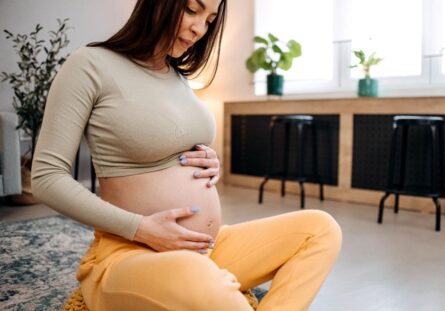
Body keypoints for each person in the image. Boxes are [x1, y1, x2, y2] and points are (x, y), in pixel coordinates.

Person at [31, 0, 342, 310]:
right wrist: (141, 228)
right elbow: (47, 178)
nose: (199, 29)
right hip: (130, 254)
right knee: (204, 282)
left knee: (320, 229)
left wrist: (211, 160)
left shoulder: (177, 76)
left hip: (205, 249)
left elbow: (170, 140)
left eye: (209, 20)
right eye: (193, 10)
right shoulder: (89, 65)